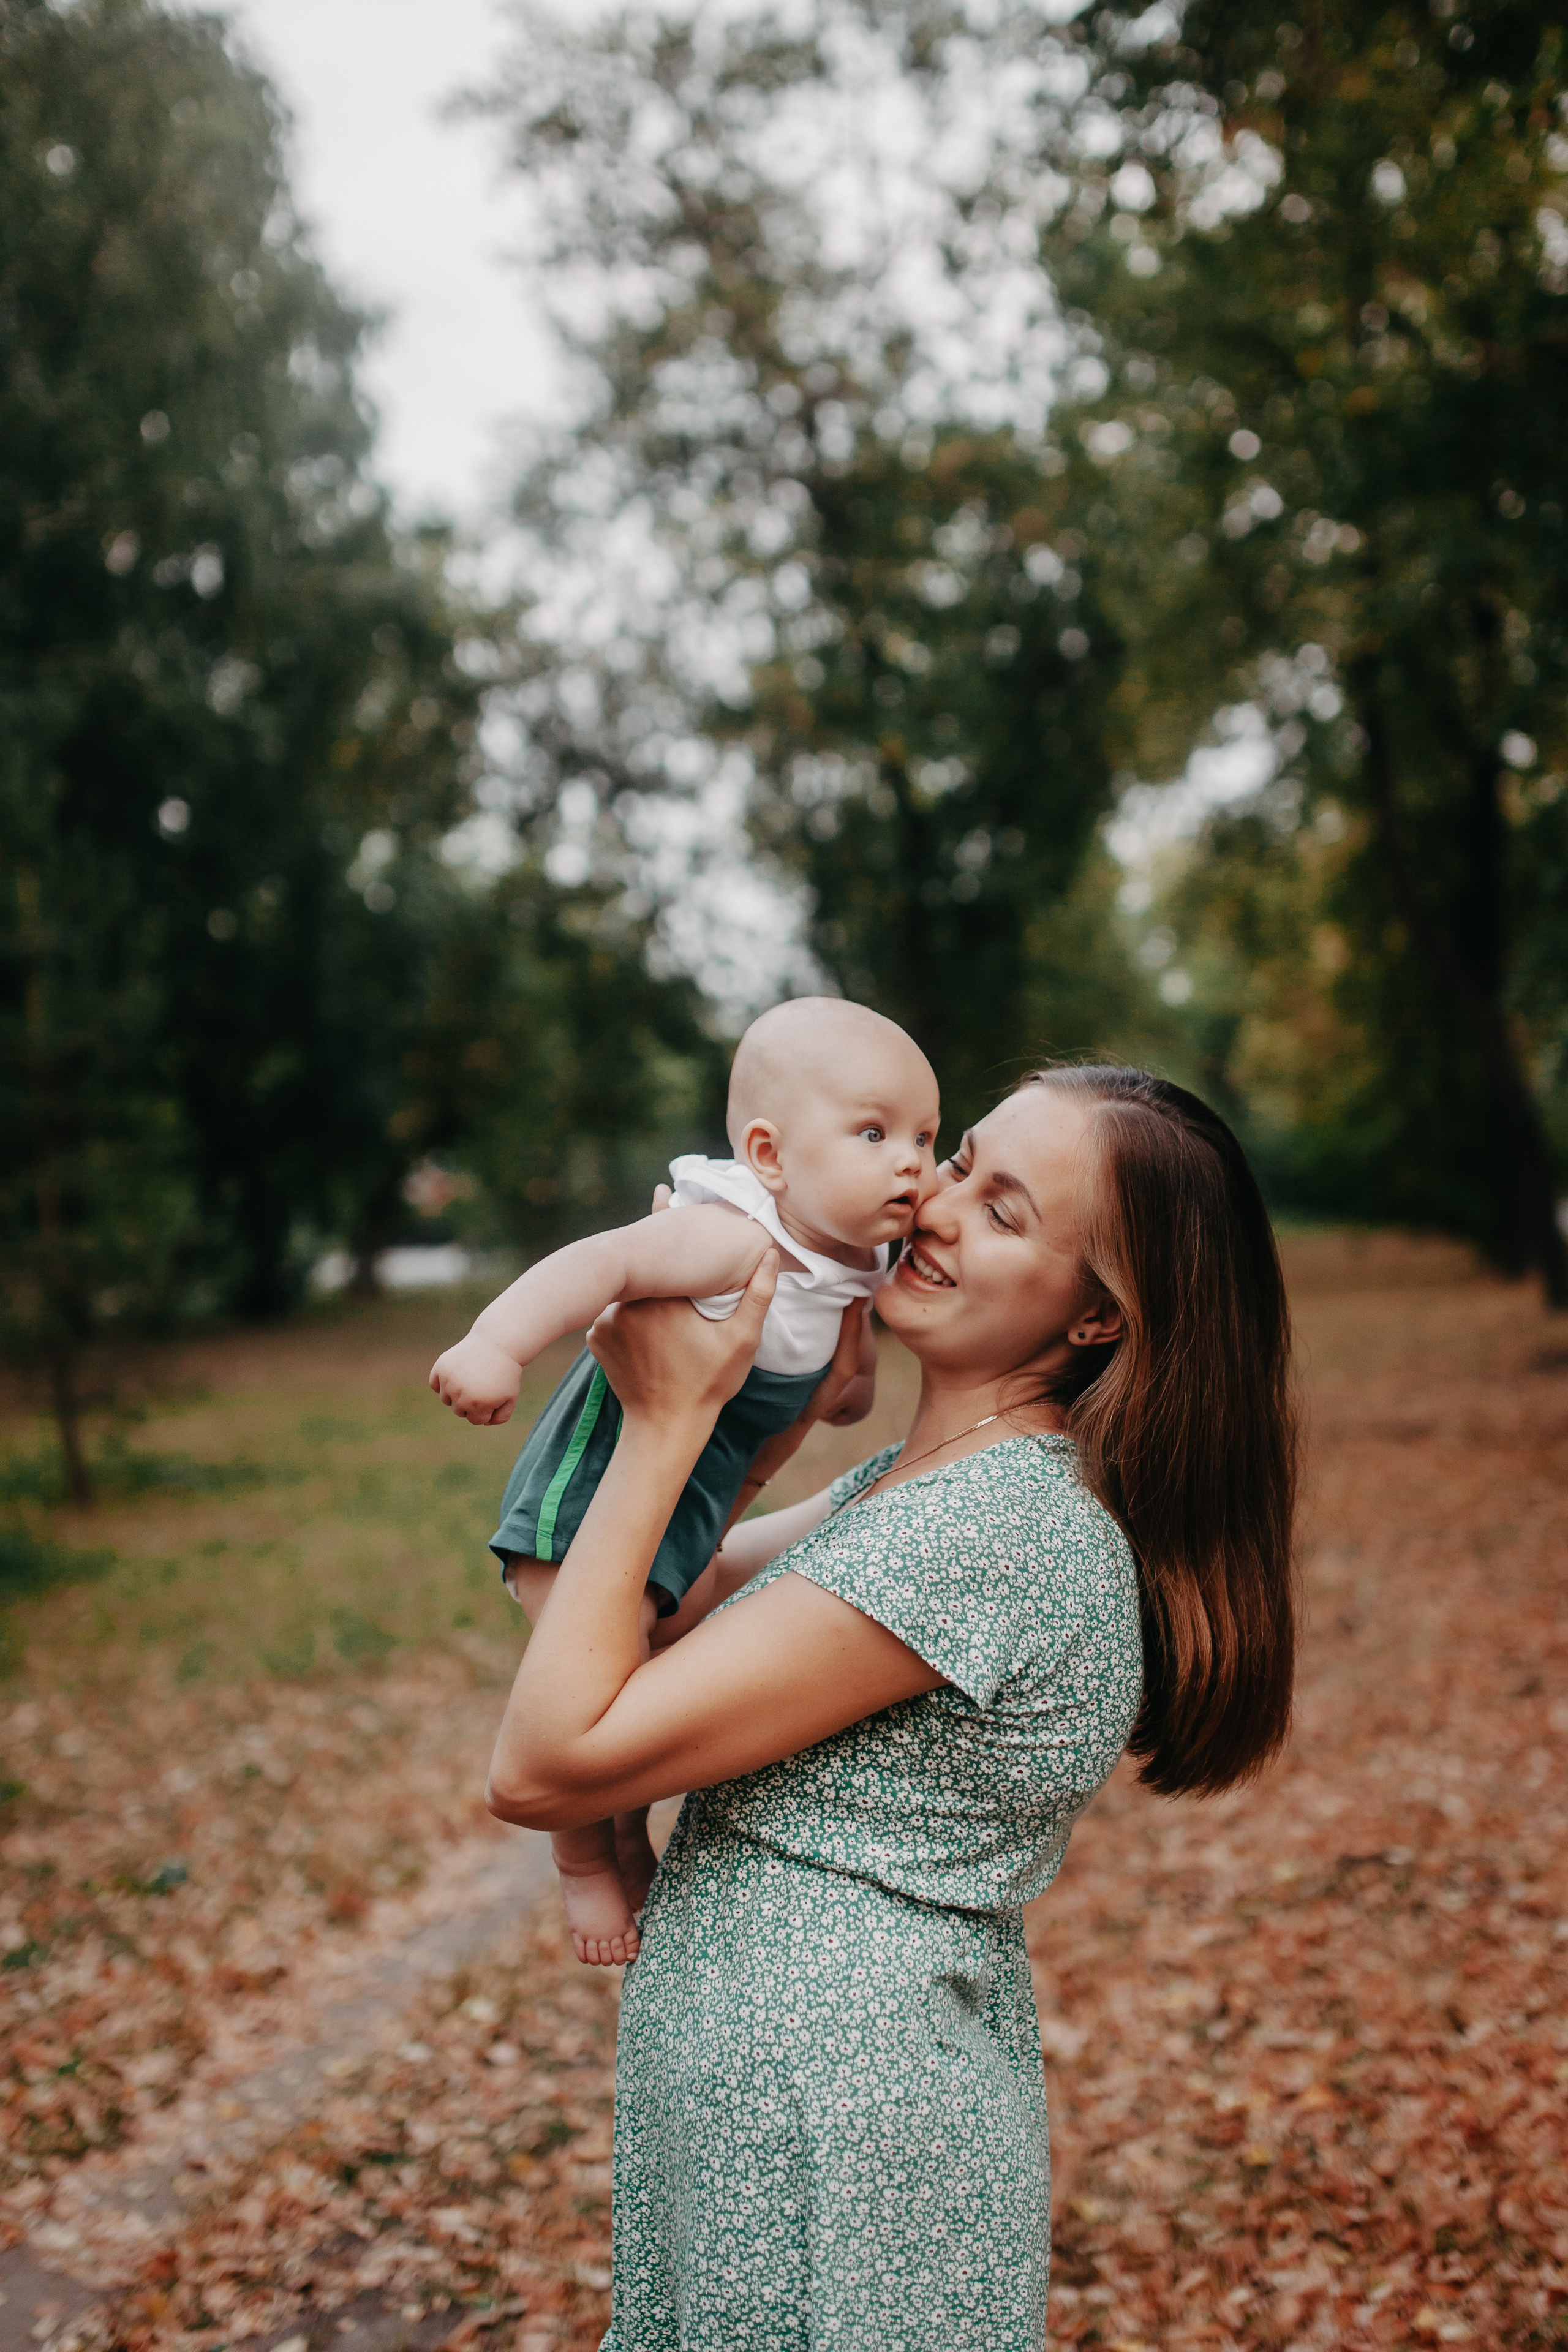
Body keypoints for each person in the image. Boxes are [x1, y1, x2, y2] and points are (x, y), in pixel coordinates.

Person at [486, 1065, 1300, 2352]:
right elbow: (656, 1608)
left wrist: (665, 1420)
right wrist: (742, 1416)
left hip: (837, 2131)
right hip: (782, 2107)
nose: (937, 1206)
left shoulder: (998, 1529)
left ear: (1098, 1317)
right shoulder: (917, 1483)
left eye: (1005, 1210)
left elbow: (547, 1764)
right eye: (960, 1161)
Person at [429, 997, 940, 1964]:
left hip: (690, 1497)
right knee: (599, 1693)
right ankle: (584, 1859)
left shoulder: (861, 1255)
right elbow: (604, 1262)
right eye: (875, 1134)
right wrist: (497, 1344)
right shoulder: (733, 1236)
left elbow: (845, 1362)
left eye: (925, 1136)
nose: (911, 1162)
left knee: (641, 1704)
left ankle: (624, 1835)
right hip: (593, 1499)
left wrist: (851, 1382)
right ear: (770, 1155)